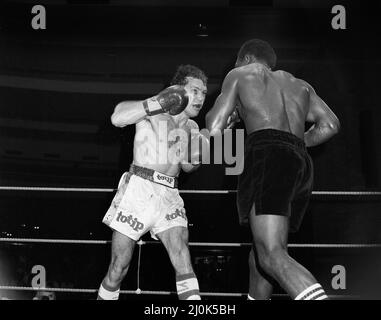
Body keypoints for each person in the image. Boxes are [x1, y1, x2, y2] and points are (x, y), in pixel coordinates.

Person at [206, 39, 340, 300]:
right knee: (260, 257)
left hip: (267, 156)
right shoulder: (300, 85)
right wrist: (297, 143)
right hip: (299, 160)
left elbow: (213, 127)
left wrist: (232, 116)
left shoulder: (240, 74)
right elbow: (330, 125)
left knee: (271, 254)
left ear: (245, 59)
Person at [97, 65, 208, 300]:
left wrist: (208, 143)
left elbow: (189, 166)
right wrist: (156, 102)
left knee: (183, 259)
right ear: (178, 89)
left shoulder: (193, 127)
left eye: (204, 93)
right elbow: (117, 117)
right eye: (195, 90)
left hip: (170, 193)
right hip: (139, 188)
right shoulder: (155, 110)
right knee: (119, 268)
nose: (200, 97)